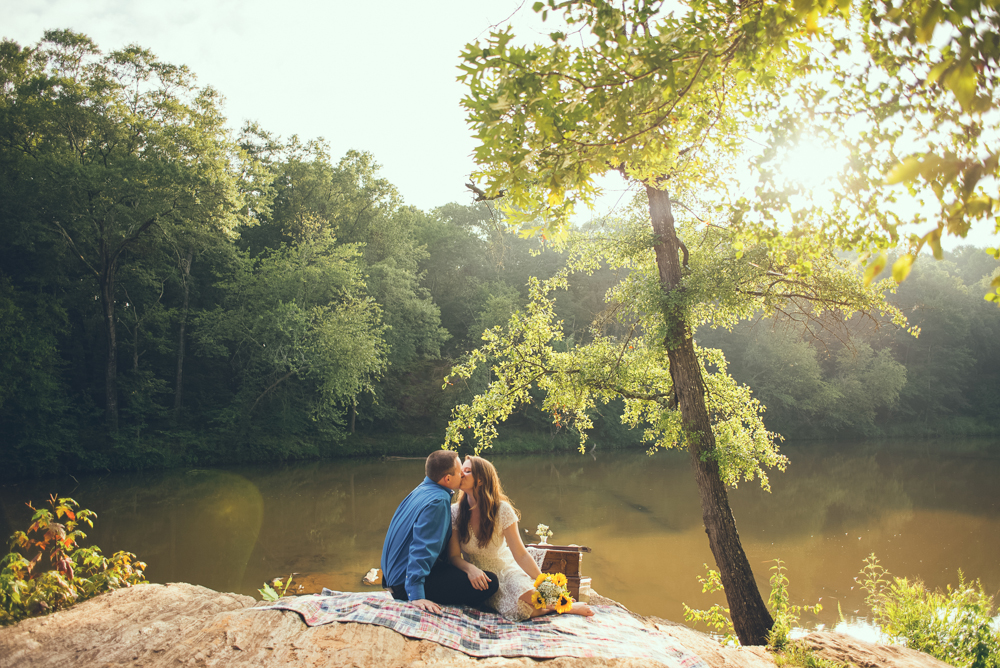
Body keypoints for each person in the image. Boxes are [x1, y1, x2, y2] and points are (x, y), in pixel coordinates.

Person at [448, 455, 594, 620]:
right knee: (522, 610)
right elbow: (453, 556)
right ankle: (559, 607)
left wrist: (545, 583)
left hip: (505, 568)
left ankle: (564, 605)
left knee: (529, 594)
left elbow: (521, 554)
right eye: (461, 471)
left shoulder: (502, 510)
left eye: (467, 471)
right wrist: (470, 569)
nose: (461, 474)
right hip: (481, 578)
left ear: (481, 480)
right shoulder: (455, 512)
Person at [381, 450, 499, 613]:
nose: (463, 475)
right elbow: (422, 548)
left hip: (392, 578)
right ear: (448, 478)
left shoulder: (421, 490)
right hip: (404, 585)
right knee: (490, 583)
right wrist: (416, 595)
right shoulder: (438, 501)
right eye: (460, 472)